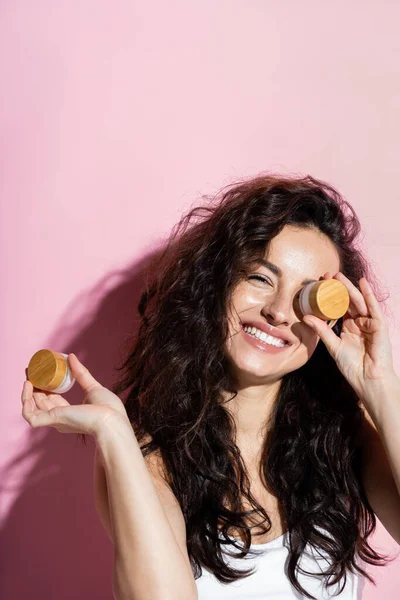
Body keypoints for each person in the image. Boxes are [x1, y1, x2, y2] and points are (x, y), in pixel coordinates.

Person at [22, 173, 400, 599]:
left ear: (329, 321)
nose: (278, 312)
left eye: (306, 296)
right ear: (218, 285)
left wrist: (380, 385)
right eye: (259, 278)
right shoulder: (149, 455)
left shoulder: (343, 438)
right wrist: (113, 430)